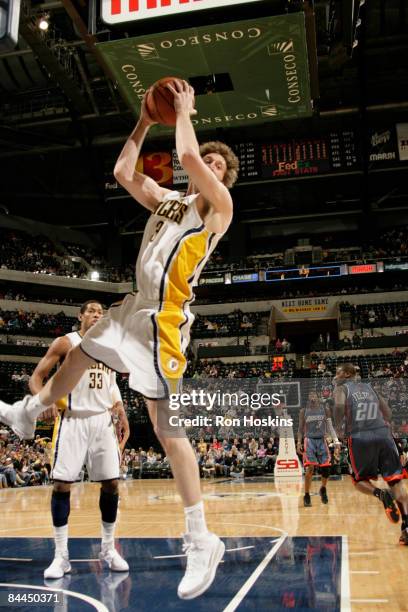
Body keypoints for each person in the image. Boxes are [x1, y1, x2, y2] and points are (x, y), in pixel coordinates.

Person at [0, 79, 239, 599]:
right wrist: (145, 120)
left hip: (164, 322)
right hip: (134, 308)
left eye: (219, 166)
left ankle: (201, 538)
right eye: (210, 164)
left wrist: (183, 111)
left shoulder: (217, 206)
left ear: (225, 179)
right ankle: (30, 410)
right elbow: (122, 173)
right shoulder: (170, 201)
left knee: (167, 430)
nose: (210, 168)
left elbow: (188, 153)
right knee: (82, 351)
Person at [29, 300, 130, 579]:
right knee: (62, 486)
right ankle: (61, 556)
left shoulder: (110, 346)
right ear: (80, 316)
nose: (97, 315)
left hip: (102, 420)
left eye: (100, 312)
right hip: (72, 419)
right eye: (91, 311)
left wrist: (120, 408)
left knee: (111, 483)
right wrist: (41, 401)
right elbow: (36, 377)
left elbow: (110, 383)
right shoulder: (66, 342)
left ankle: (108, 549)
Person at [334, 363, 408, 544]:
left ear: (348, 374)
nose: (336, 376)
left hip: (360, 437)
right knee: (396, 481)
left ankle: (380, 494)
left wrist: (337, 425)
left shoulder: (342, 388)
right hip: (383, 435)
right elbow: (389, 413)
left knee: (358, 480)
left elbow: (338, 407)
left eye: (338, 372)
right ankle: (406, 528)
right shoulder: (370, 388)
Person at [297, 390, 339, 507]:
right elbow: (300, 429)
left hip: (321, 440)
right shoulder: (303, 411)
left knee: (326, 469)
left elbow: (330, 426)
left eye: (314, 395)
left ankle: (323, 489)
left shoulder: (325, 409)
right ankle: (306, 495)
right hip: (309, 440)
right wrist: (299, 442)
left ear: (318, 397)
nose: (312, 396)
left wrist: (335, 441)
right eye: (310, 395)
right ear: (308, 398)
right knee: (310, 468)